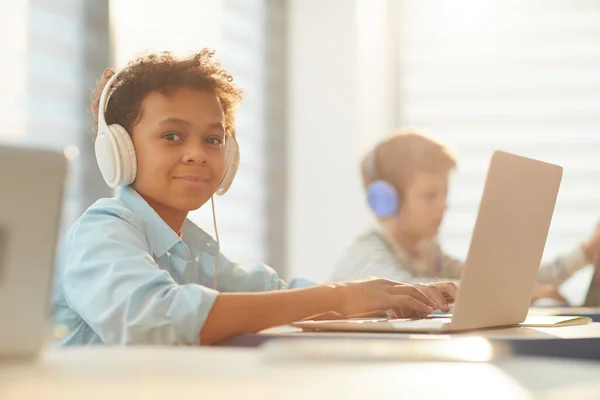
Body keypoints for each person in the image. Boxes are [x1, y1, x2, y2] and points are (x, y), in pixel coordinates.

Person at [51, 50, 458, 347]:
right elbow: (158, 320)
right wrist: (340, 297)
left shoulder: (190, 246)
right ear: (119, 150)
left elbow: (270, 291)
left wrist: (387, 296)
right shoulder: (102, 229)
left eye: (213, 139)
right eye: (172, 136)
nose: (197, 153)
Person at [331, 129, 600, 303]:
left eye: (445, 194)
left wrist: (585, 254)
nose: (443, 206)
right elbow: (403, 292)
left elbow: (497, 278)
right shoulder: (365, 255)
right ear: (386, 200)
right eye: (430, 195)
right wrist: (507, 293)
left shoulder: (430, 255)